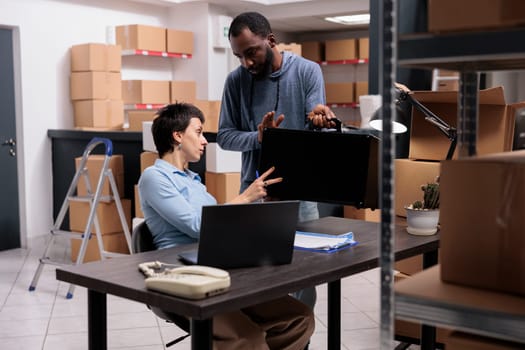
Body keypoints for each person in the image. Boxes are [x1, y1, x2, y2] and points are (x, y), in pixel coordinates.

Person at [138, 102, 314, 350]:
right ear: (177, 136)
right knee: (246, 339)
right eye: (198, 132)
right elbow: (200, 226)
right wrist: (245, 197)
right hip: (182, 275)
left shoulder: (194, 181)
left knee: (299, 318)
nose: (204, 141)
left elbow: (223, 224)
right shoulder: (154, 178)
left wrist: (262, 200)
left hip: (217, 266)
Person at [217, 11, 337, 309]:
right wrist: (258, 138)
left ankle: (299, 338)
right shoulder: (235, 82)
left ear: (271, 41)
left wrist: (319, 118)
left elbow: (314, 118)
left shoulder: (308, 71)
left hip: (300, 192)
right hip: (254, 191)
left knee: (306, 273)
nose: (246, 63)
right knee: (256, 276)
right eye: (238, 56)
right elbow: (225, 136)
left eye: (251, 52)